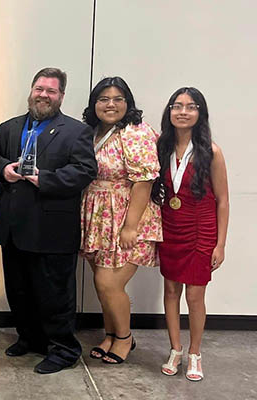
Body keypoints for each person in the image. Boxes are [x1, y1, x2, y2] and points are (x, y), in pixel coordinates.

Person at [0, 68, 97, 374]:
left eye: (51, 91)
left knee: (54, 294)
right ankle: (31, 339)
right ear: (31, 90)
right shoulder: (9, 127)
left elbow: (84, 170)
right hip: (13, 225)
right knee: (19, 290)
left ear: (61, 96)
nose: (44, 95)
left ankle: (64, 350)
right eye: (40, 89)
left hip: (52, 229)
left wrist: (44, 178)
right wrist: (3, 170)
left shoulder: (77, 131)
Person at [80, 77, 161, 364]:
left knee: (109, 283)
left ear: (128, 103)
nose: (110, 104)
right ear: (94, 104)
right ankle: (111, 333)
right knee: (100, 282)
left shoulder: (135, 132)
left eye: (117, 99)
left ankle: (125, 338)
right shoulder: (91, 131)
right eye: (103, 99)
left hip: (128, 215)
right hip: (98, 216)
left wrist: (130, 226)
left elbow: (144, 180)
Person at [153, 87, 228, 381]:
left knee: (195, 296)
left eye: (191, 106)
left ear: (200, 114)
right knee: (170, 292)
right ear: (169, 111)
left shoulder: (212, 151)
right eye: (177, 106)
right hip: (169, 227)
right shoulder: (161, 146)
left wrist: (220, 244)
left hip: (200, 231)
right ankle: (176, 349)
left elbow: (222, 200)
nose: (183, 112)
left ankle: (195, 352)